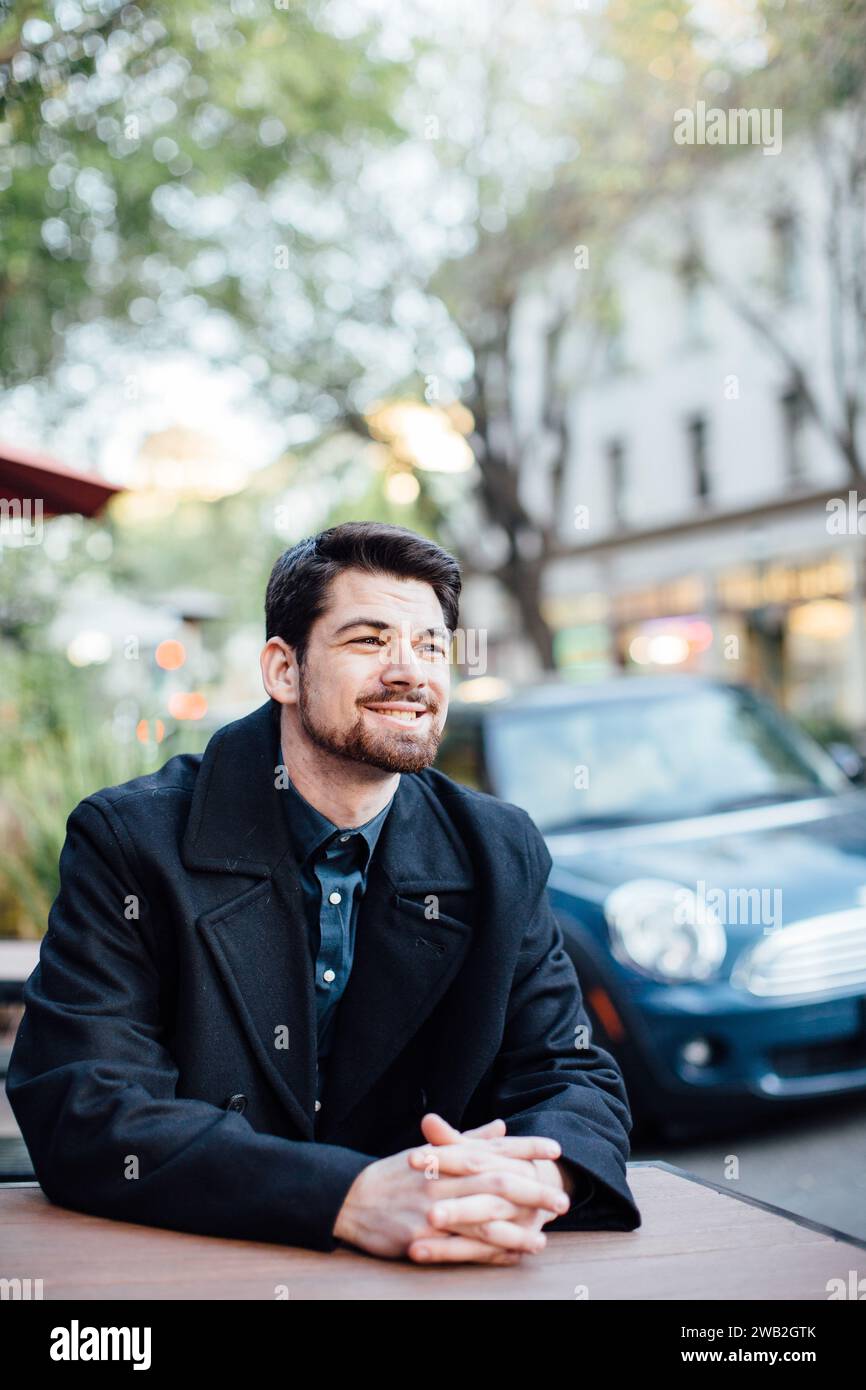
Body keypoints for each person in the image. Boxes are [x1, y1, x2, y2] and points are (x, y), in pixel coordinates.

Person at [7, 521, 641, 1264]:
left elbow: (570, 1072)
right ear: (283, 670)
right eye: (369, 640)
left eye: (431, 647)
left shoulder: (500, 849)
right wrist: (345, 1196)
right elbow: (84, 1106)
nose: (411, 672)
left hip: (446, 1274)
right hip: (195, 1272)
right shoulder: (131, 840)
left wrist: (532, 1175)